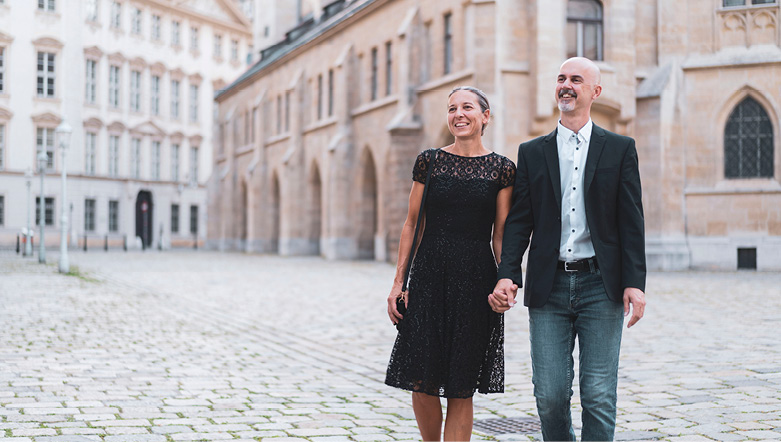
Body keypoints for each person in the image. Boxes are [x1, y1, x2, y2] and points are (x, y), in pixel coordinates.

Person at [489, 57, 647, 441]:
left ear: (595, 91)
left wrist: (635, 282)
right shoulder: (532, 152)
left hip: (601, 285)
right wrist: (508, 273)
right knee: (550, 395)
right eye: (561, 78)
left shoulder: (620, 148)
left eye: (576, 79)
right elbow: (519, 221)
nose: (566, 85)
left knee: (597, 394)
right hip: (549, 286)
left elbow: (632, 221)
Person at [385, 86, 516, 441]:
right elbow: (412, 224)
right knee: (421, 377)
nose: (458, 114)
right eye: (452, 108)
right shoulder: (429, 161)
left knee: (462, 384)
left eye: (467, 107)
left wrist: (506, 281)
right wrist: (399, 283)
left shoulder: (502, 169)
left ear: (485, 116)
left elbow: (500, 235)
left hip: (476, 281)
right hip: (428, 276)